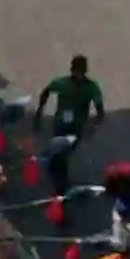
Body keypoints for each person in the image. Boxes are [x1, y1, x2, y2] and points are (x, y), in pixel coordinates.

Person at [32, 55, 105, 193]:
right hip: (60, 123)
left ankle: (54, 165)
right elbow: (46, 91)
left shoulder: (91, 88)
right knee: (62, 151)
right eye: (77, 72)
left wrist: (94, 125)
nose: (79, 76)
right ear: (72, 70)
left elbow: (100, 109)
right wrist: (39, 111)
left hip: (77, 126)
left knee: (65, 150)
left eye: (81, 72)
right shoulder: (62, 83)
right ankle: (61, 183)